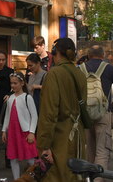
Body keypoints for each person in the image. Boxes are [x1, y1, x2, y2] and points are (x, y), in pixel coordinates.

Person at [36, 38, 87, 182]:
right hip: (77, 136)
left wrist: (44, 145)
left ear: (54, 52)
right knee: (76, 176)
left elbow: (49, 113)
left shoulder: (54, 74)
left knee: (58, 176)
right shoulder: (80, 74)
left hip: (60, 138)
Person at [80, 45, 113, 182]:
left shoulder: (80, 69)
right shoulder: (108, 68)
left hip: (85, 115)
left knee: (89, 151)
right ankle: (98, 179)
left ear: (88, 55)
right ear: (102, 55)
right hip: (103, 112)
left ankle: (88, 178)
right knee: (102, 152)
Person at [1, 72, 38, 180]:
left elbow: (34, 116)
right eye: (11, 83)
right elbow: (7, 116)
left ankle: (34, 178)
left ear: (22, 83)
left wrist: (32, 132)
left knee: (31, 159)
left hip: (25, 133)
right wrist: (4, 130)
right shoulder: (10, 98)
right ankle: (16, 179)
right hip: (13, 132)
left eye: (15, 83)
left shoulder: (27, 98)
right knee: (13, 158)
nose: (12, 85)